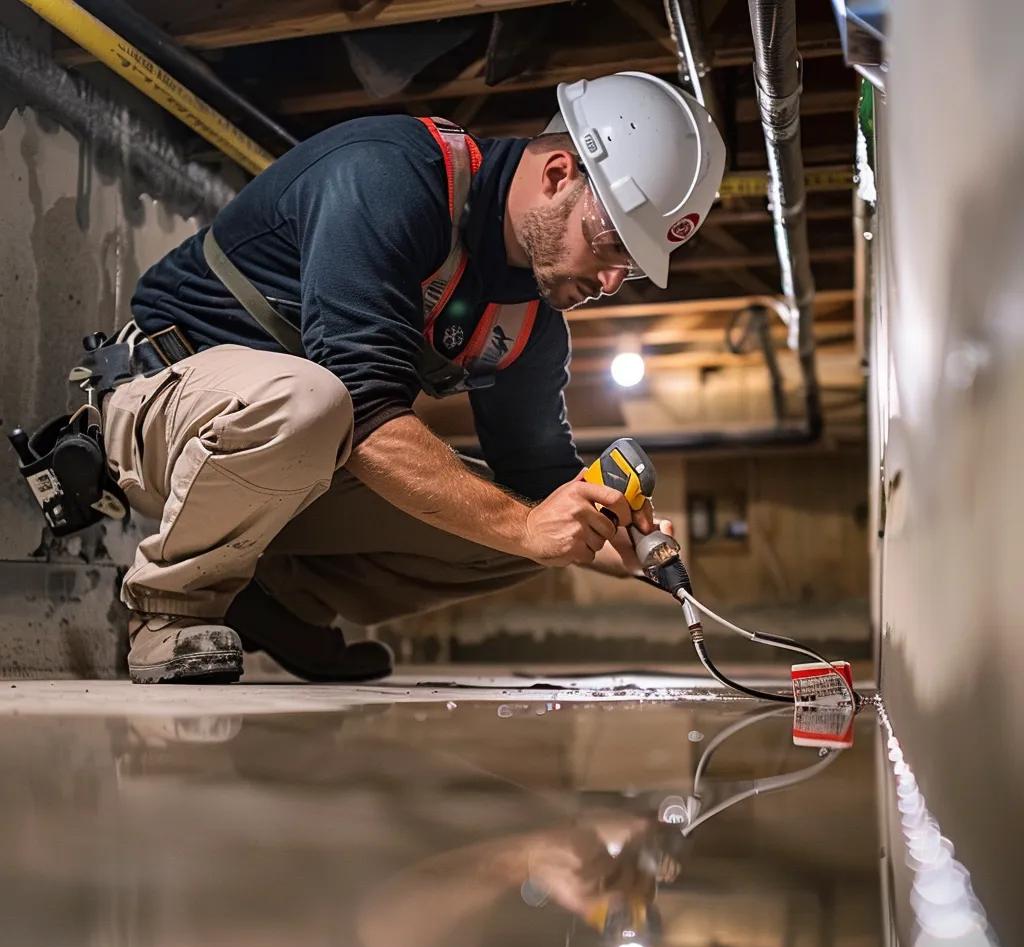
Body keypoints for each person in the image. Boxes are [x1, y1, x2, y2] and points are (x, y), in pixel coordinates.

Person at [100, 71, 725, 684]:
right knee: (319, 402)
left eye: (633, 267)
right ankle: (172, 613)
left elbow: (540, 483)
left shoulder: (528, 324)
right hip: (165, 410)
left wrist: (612, 537)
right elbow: (367, 410)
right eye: (612, 242)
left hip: (294, 456)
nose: (613, 281)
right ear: (559, 174)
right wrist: (526, 526)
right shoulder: (388, 175)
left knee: (539, 521)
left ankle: (278, 605)